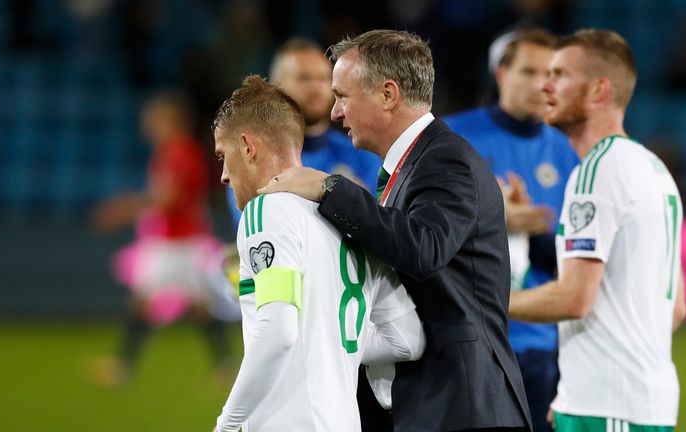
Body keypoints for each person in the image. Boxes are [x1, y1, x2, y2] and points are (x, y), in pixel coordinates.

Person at [260, 29, 531, 432]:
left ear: (388, 94)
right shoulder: (414, 164)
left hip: (464, 404)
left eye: (343, 96)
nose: (335, 112)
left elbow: (423, 248)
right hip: (434, 403)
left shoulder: (445, 160)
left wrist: (329, 188)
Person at [213, 75, 425, 432]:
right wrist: (329, 342)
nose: (222, 175)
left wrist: (228, 424)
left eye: (223, 155)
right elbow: (407, 340)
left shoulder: (265, 212)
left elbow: (278, 332)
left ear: (248, 147)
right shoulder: (348, 221)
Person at [508, 29, 686, 432]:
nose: (545, 85)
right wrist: (577, 386)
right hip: (639, 401)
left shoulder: (596, 171)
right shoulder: (654, 169)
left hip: (607, 405)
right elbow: (675, 307)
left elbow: (573, 297)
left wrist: (481, 301)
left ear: (597, 90)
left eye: (559, 74)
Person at [444, 28, 578, 432]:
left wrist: (534, 230)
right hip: (464, 335)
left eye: (552, 73)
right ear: (502, 74)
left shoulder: (568, 149)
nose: (543, 84)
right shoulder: (452, 137)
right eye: (530, 71)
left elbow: (574, 261)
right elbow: (423, 234)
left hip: (538, 342)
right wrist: (494, 219)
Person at [91, 91, 239, 387]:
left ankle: (122, 366)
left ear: (171, 120)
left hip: (179, 244)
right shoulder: (174, 152)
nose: (148, 125)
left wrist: (124, 208)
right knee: (198, 306)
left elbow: (167, 199)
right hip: (180, 242)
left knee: (147, 301)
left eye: (154, 119)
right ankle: (225, 364)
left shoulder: (181, 153)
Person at [225, 37, 381, 229]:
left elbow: (379, 224)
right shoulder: (252, 159)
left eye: (323, 78)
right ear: (275, 87)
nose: (316, 87)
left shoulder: (363, 152)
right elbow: (256, 225)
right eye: (304, 78)